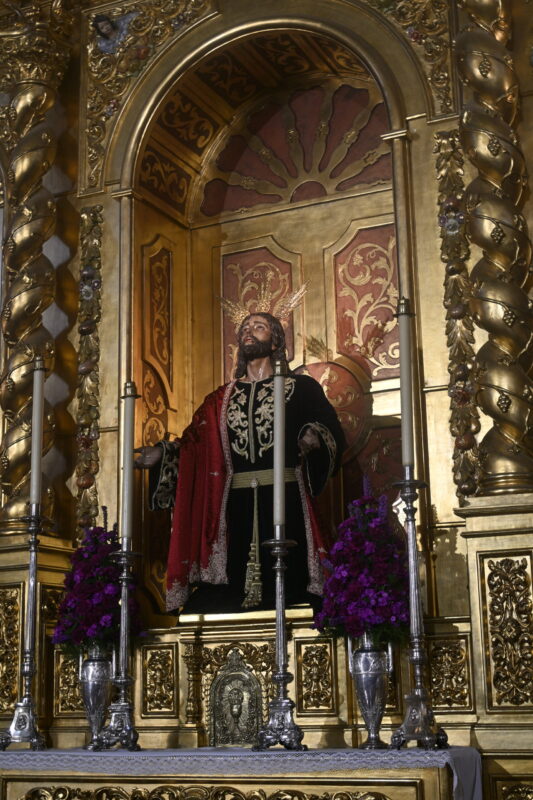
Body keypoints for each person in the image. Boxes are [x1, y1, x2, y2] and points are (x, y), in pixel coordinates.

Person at [136, 312, 346, 614]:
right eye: (245, 328)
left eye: (259, 327)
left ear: (275, 341)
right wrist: (163, 455)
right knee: (224, 589)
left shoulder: (302, 388)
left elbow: (331, 429)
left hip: (287, 496)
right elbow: (194, 446)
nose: (249, 330)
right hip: (234, 503)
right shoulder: (219, 399)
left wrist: (314, 435)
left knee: (295, 584)